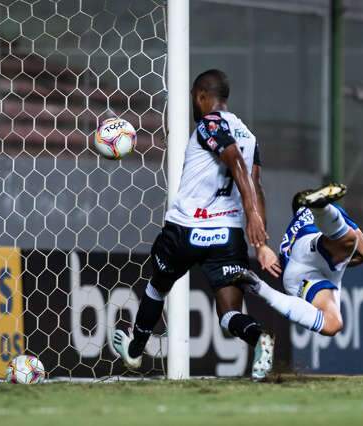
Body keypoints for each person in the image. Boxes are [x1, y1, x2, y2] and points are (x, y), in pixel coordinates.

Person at [113, 69, 274, 380]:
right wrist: (261, 239)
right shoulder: (249, 136)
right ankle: (259, 338)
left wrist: (252, 216)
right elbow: (257, 185)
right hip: (227, 234)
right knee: (229, 315)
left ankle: (135, 351)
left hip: (186, 229)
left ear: (201, 97)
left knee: (157, 287)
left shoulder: (210, 123)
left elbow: (236, 164)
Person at [234, 183, 363, 337]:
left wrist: (341, 258)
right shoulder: (316, 213)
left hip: (298, 269)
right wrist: (344, 257)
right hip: (306, 256)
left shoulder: (293, 229)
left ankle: (259, 287)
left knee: (333, 324)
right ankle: (322, 209)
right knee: (349, 239)